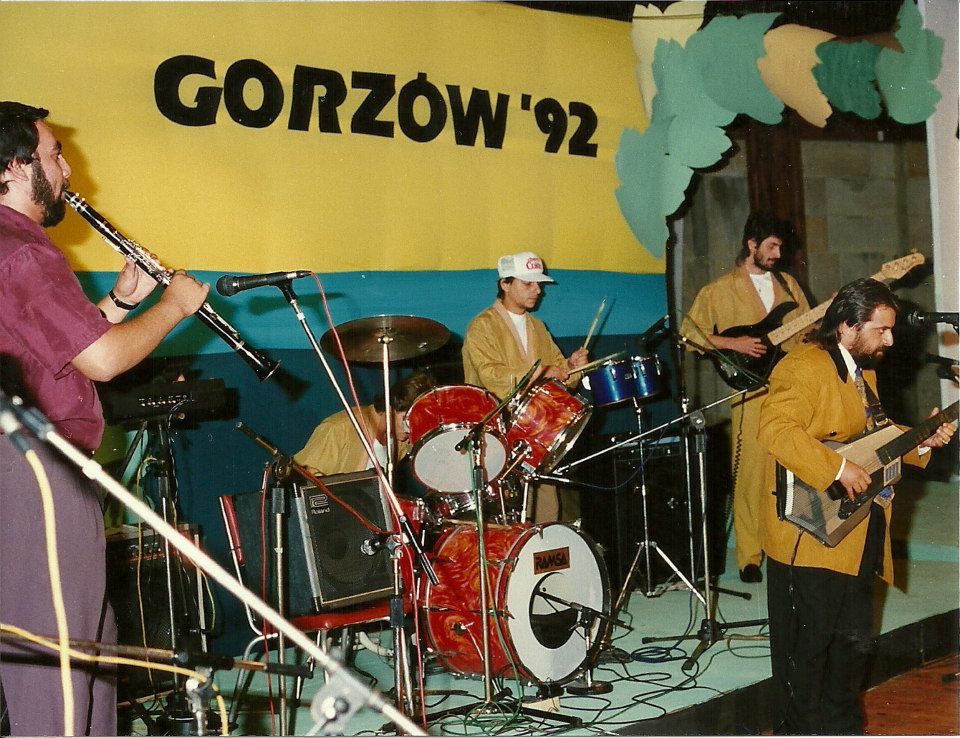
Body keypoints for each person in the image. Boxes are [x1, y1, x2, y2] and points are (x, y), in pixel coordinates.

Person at [0, 101, 209, 736]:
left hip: (34, 471)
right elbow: (104, 361)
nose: (66, 168)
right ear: (14, 165)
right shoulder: (22, 253)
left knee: (90, 645)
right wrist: (174, 306)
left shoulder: (15, 251)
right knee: (59, 661)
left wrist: (120, 300)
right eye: (54, 153)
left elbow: (55, 356)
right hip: (38, 472)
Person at [757, 277, 955, 735]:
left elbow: (874, 442)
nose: (889, 339)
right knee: (808, 655)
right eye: (881, 329)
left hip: (859, 531)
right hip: (809, 539)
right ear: (847, 325)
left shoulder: (862, 370)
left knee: (851, 650)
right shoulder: (803, 366)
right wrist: (836, 470)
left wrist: (923, 439)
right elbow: (777, 430)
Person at [681, 212, 811, 583]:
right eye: (771, 246)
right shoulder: (718, 290)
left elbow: (804, 331)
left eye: (781, 247)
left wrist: (822, 318)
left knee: (790, 466)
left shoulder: (789, 285)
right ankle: (749, 555)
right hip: (749, 389)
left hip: (789, 386)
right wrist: (730, 342)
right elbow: (689, 333)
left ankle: (787, 546)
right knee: (751, 472)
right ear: (751, 245)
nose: (778, 253)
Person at [462, 251, 588, 522]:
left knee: (545, 516)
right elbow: (490, 375)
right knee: (504, 516)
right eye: (528, 284)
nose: (537, 290)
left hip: (537, 433)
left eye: (539, 284)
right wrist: (543, 372)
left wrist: (572, 367)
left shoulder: (538, 326)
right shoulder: (482, 327)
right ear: (504, 284)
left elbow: (560, 375)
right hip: (495, 433)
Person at [294, 371, 435, 477]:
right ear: (391, 407)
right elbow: (299, 475)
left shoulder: (401, 442)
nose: (410, 429)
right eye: (407, 420)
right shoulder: (339, 429)